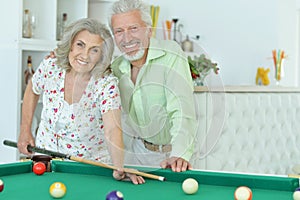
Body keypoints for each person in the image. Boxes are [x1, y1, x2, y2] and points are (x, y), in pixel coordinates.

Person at [17, 18, 144, 184]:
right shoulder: (51, 66)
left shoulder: (106, 84)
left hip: (89, 170)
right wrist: (25, 130)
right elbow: (33, 89)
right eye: (80, 45)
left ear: (101, 56)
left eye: (94, 50)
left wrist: (119, 167)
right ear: (70, 45)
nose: (85, 55)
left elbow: (112, 129)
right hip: (45, 162)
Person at [108, 0, 198, 172]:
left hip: (174, 153)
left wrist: (180, 153)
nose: (127, 38)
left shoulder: (171, 54)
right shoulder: (116, 67)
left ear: (149, 30)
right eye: (119, 31)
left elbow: (181, 108)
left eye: (134, 28)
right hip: (138, 152)